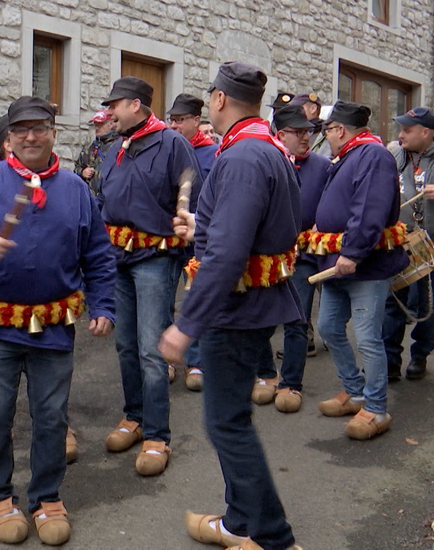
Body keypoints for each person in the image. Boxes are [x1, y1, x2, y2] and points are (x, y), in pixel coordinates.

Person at [0, 96, 116, 545]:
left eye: (39, 127)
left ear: (53, 132)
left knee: (51, 415)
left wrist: (103, 306)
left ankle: (46, 497)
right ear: (9, 137)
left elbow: (97, 253)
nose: (30, 136)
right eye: (21, 129)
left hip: (53, 326)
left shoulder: (77, 189)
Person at [159, 62, 303, 550]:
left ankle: (273, 537)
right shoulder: (267, 148)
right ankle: (240, 522)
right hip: (253, 306)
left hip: (237, 311)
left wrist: (185, 325)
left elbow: (229, 253)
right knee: (230, 419)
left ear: (219, 100)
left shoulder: (243, 156)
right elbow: (250, 232)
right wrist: (202, 226)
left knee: (227, 423)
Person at [98, 76, 202, 477]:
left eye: (116, 105)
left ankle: (158, 434)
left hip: (154, 258)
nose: (109, 112)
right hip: (118, 257)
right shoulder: (118, 144)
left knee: (150, 348)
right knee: (126, 346)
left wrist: (182, 215)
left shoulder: (172, 142)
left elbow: (191, 189)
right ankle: (135, 416)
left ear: (137, 105)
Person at [314, 100, 408, 440]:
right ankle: (355, 392)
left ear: (340, 129)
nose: (325, 137)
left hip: (363, 266)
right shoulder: (351, 155)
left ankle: (377, 408)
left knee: (368, 337)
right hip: (337, 263)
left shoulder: (372, 155)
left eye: (327, 131)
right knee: (327, 327)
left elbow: (370, 208)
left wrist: (353, 251)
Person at [252, 105, 329, 413]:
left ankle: (291, 383)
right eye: (298, 132)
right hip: (266, 257)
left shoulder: (322, 166)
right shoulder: (265, 161)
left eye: (308, 132)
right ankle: (267, 373)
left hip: (303, 256)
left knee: (297, 320)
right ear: (280, 134)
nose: (305, 138)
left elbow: (331, 206)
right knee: (258, 319)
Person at [383, 107, 434, 380]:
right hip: (397, 240)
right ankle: (390, 360)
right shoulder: (395, 155)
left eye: (407, 130)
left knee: (426, 302)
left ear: (425, 132)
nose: (400, 135)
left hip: (432, 242)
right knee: (393, 302)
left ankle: (420, 355)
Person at [167, 92, 219, 391]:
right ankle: (168, 359)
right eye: (171, 120)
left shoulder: (212, 153)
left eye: (180, 120)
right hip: (167, 238)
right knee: (164, 299)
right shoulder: (168, 149)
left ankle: (196, 361)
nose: (174, 125)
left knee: (195, 297)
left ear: (196, 121)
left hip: (198, 238)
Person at [75, 110, 117, 194]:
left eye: (100, 124)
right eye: (95, 124)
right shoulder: (89, 148)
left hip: (110, 199)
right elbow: (77, 168)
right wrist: (82, 172)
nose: (97, 128)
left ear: (111, 124)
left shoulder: (119, 147)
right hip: (90, 200)